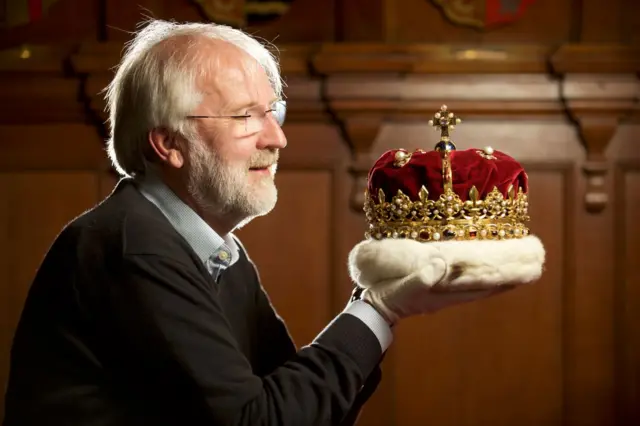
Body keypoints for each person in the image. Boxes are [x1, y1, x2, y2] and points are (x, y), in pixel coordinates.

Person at [3, 19, 510, 426]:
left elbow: (302, 404)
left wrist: (377, 301)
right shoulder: (135, 246)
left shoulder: (207, 245)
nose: (277, 138)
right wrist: (378, 309)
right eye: (246, 116)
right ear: (168, 144)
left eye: (274, 112)